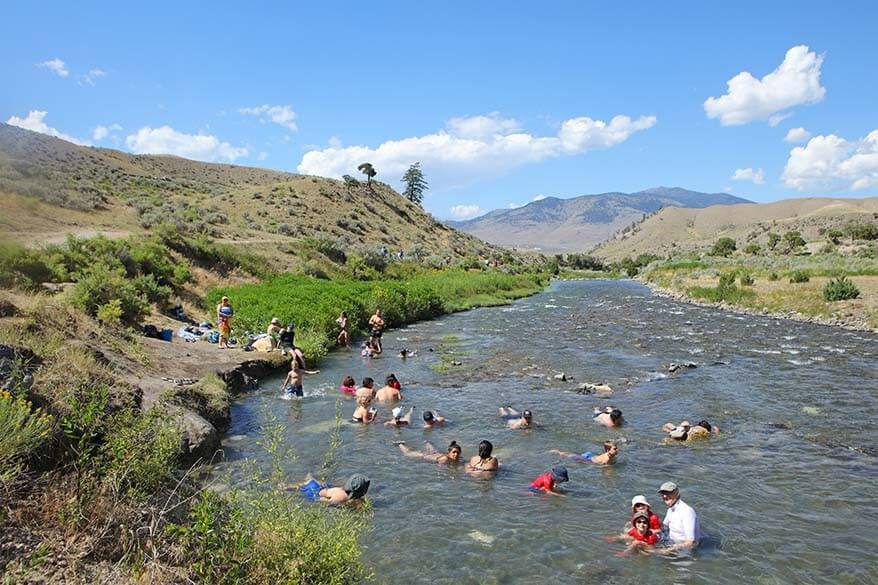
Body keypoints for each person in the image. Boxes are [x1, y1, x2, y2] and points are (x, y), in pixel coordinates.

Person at [657, 482, 701, 551]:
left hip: (685, 552)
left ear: (677, 493)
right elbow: (663, 528)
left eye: (668, 493)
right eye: (663, 493)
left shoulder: (687, 511)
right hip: (671, 544)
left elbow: (691, 542)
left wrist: (668, 550)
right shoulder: (670, 510)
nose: (665, 496)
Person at [299, 473, 370, 507]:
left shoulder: (341, 490)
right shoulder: (340, 498)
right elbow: (324, 500)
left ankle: (310, 479)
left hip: (321, 488)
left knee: (310, 482)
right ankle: (309, 479)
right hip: (313, 492)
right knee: (305, 485)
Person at [551, 441, 618, 465]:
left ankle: (559, 452)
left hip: (591, 455)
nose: (617, 449)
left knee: (572, 454)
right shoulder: (608, 457)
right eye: (614, 449)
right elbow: (606, 469)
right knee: (570, 456)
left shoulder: (609, 454)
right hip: (588, 460)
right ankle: (557, 452)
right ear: (608, 450)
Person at [398, 440, 462, 465]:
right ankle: (400, 444)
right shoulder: (445, 459)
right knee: (407, 453)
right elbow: (440, 467)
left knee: (431, 448)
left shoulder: (458, 458)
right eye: (454, 452)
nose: (456, 454)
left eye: (458, 452)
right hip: (425, 456)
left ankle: (426, 442)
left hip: (436, 453)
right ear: (449, 452)